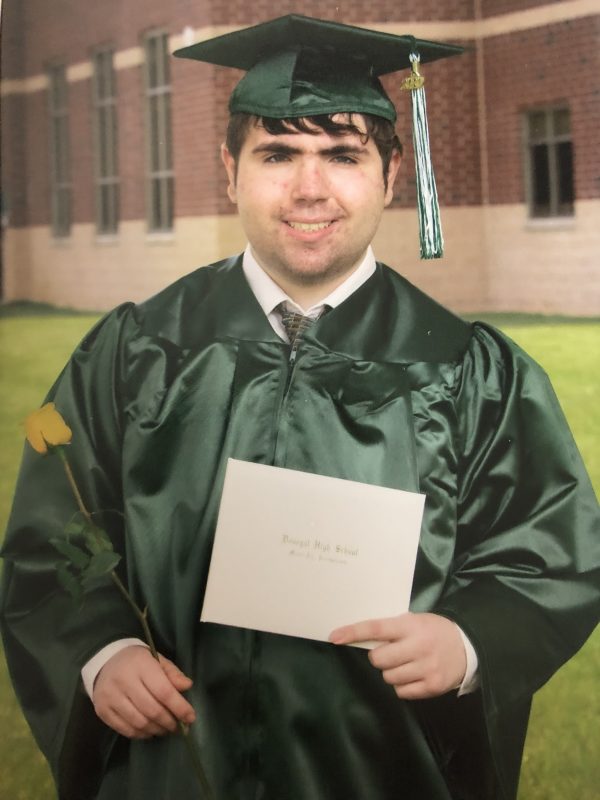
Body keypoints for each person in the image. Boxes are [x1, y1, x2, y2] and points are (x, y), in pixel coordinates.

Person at [1, 14, 599, 800]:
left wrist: (468, 639)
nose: (310, 188)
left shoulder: (467, 372)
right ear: (229, 171)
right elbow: (56, 539)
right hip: (175, 769)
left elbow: (546, 553)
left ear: (390, 174)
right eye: (278, 154)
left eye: (342, 156)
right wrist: (101, 650)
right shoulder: (137, 354)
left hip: (380, 775)